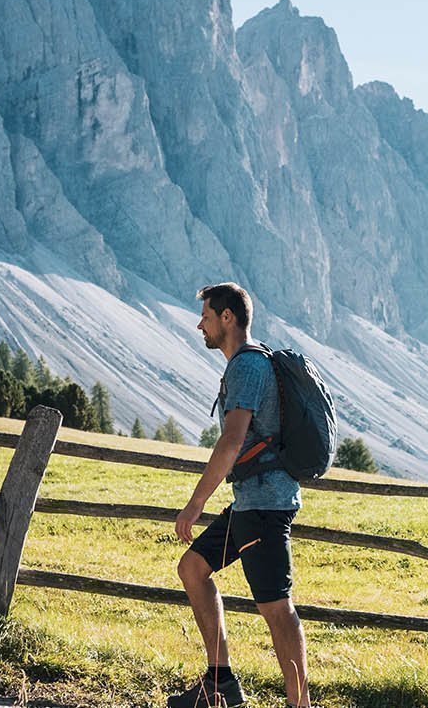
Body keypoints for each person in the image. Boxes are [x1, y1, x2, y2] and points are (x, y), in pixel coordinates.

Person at [169, 282, 312, 708]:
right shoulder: (251, 362)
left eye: (207, 317)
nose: (201, 325)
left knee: (276, 608)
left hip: (265, 504)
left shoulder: (247, 367)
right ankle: (221, 683)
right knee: (193, 568)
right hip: (251, 501)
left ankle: (299, 704)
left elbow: (231, 441)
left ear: (227, 317)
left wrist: (195, 504)